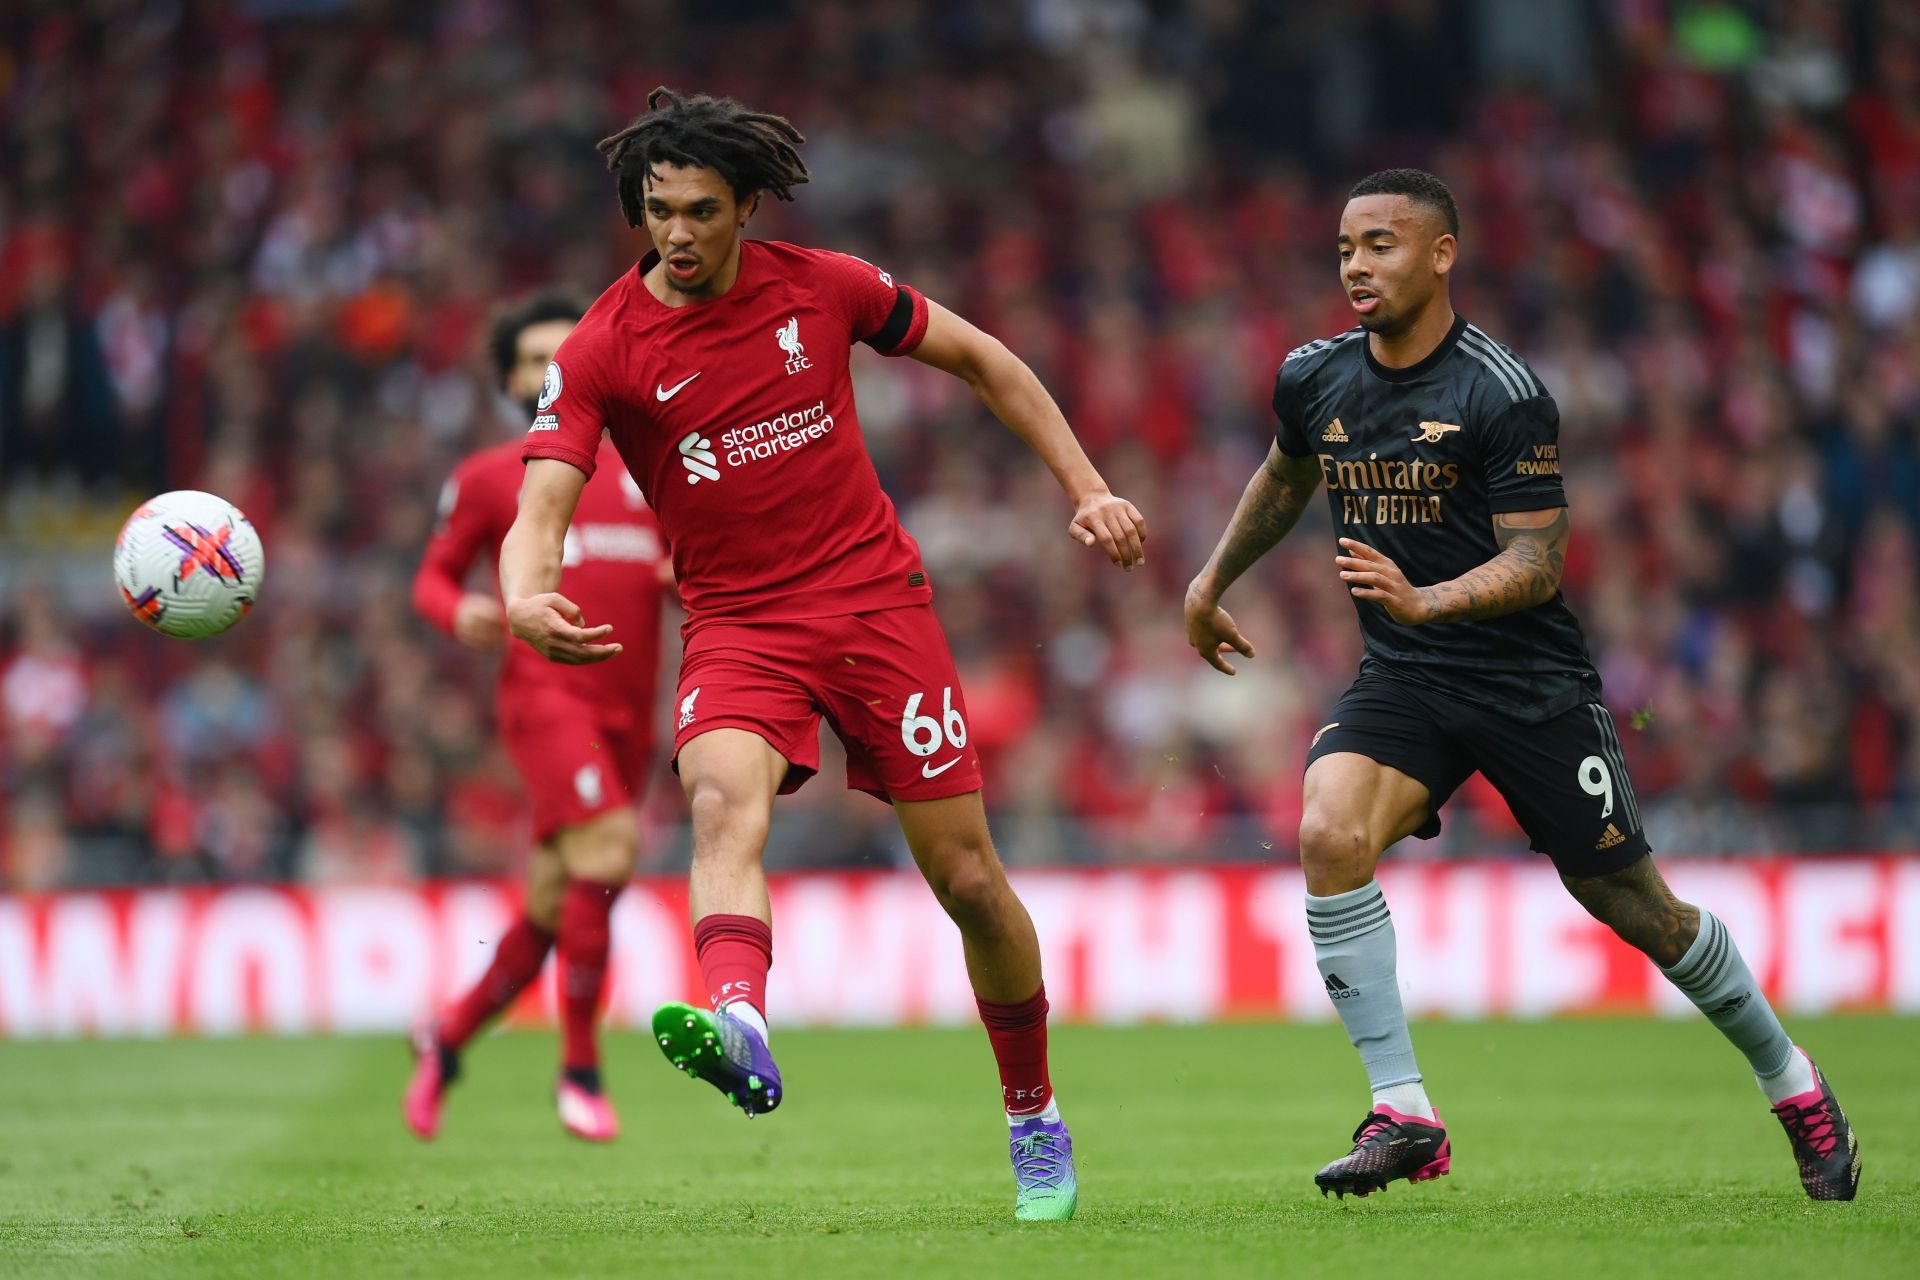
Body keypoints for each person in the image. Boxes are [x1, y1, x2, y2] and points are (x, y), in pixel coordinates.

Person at [498, 87, 1144, 1222]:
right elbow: (543, 495)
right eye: (658, 211)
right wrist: (523, 589)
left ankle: (1033, 1113)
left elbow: (988, 360)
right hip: (738, 625)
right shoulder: (604, 342)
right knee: (715, 797)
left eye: (701, 209)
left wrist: (1087, 490)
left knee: (971, 883)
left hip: (873, 605)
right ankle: (742, 1022)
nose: (679, 234)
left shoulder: (827, 287)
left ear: (748, 204)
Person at [1183, 168, 1861, 1202]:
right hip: (1407, 676)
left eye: (1381, 245)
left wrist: (1426, 599)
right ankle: (1405, 1107)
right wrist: (1213, 577)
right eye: (1344, 249)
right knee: (1326, 830)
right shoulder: (1314, 376)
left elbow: (1537, 563)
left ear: (1443, 253)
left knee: (1637, 906)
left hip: (1529, 684)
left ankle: (1793, 1079)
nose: (1357, 267)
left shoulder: (1501, 392)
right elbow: (1286, 475)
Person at [404, 293, 673, 1143]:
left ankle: (445, 1041)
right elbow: (433, 579)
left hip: (631, 709)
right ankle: (581, 1071)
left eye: (568, 352)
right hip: (548, 698)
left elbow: (687, 561)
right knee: (610, 849)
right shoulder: (491, 477)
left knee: (558, 898)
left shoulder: (647, 471)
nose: (552, 368)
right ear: (511, 380)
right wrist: (463, 615)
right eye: (534, 359)